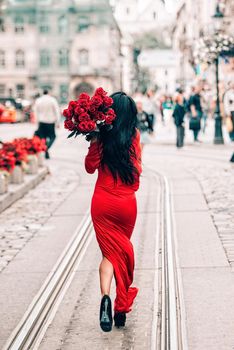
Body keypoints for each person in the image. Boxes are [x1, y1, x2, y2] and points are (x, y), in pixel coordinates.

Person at [85, 92, 142, 332]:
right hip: (126, 205)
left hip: (102, 202)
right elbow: (137, 173)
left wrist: (95, 141)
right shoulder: (133, 136)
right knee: (123, 252)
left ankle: (105, 296)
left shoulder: (101, 136)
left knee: (109, 253)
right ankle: (120, 308)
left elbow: (90, 168)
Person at [34, 90, 60, 159]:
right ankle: (46, 148)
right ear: (48, 93)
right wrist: (58, 122)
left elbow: (35, 112)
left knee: (43, 138)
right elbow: (57, 111)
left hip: (41, 121)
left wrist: (37, 122)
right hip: (50, 122)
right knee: (53, 136)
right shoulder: (52, 100)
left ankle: (45, 150)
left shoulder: (38, 100)